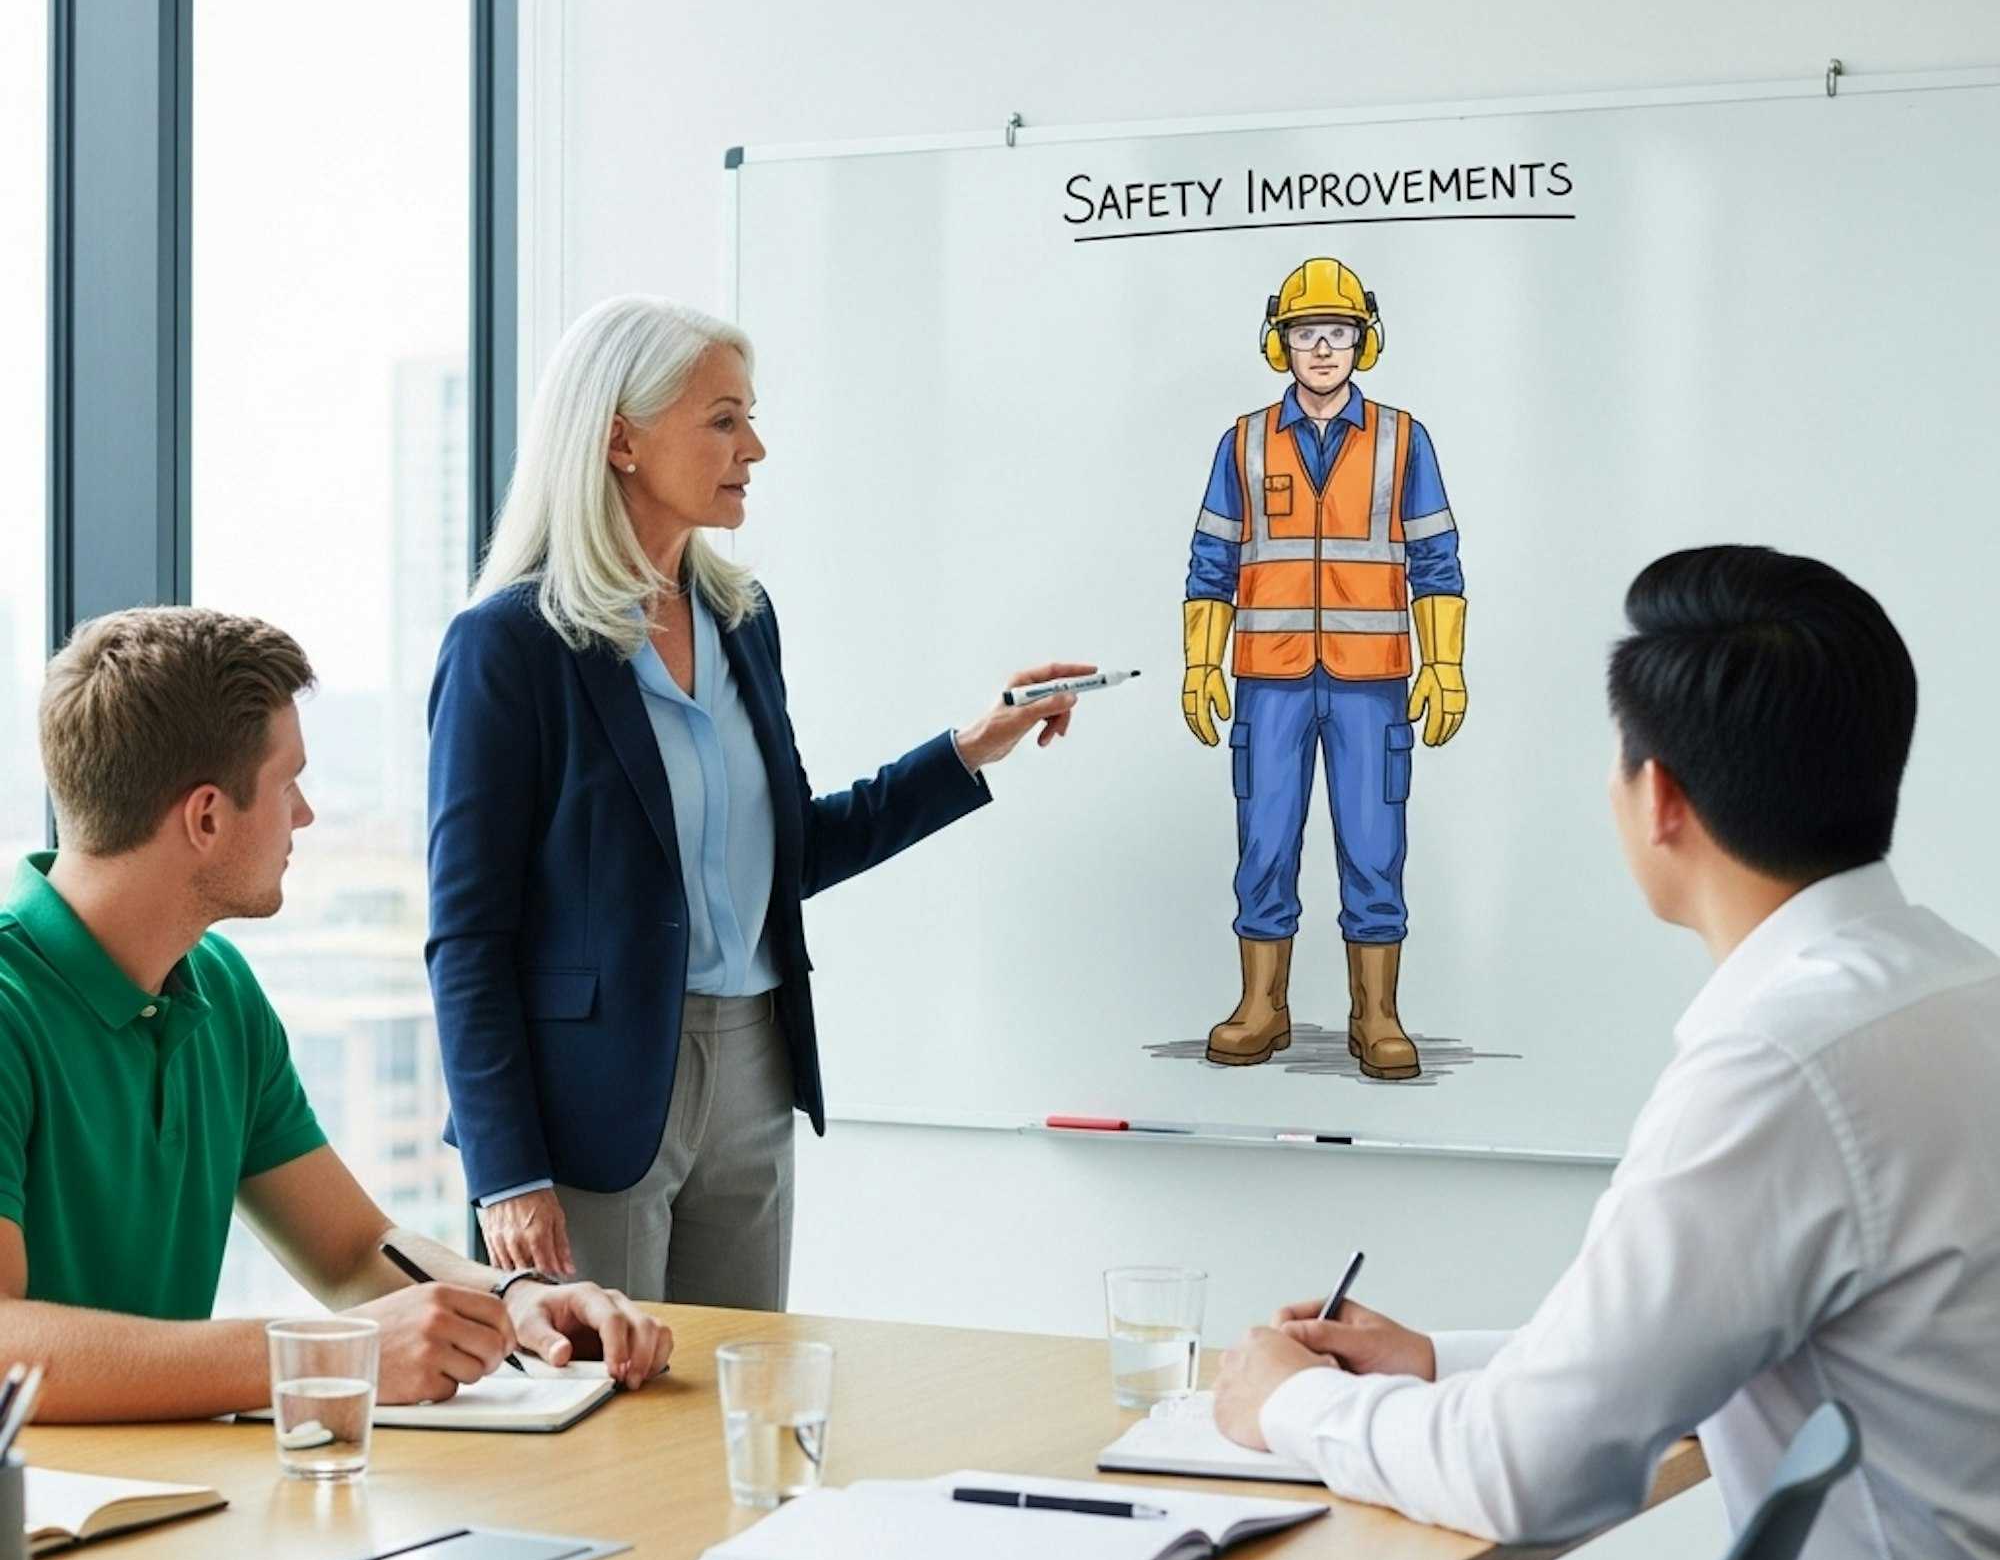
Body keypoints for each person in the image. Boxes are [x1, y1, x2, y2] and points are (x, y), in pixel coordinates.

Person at [1204, 547, 2000, 1560]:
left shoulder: (1777, 1066)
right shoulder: (1947, 987)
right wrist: (1439, 1362)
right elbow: (1730, 1328)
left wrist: (1282, 1407)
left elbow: (1535, 1475)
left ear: (1661, 799)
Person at [430, 295, 1089, 1306]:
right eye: (724, 418)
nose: (756, 447)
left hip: (754, 1066)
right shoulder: (508, 645)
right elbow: (468, 933)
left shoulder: (741, 618)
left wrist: (971, 745)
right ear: (619, 439)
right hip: (586, 1103)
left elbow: (793, 851)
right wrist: (505, 1168)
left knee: (736, 1394)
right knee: (602, 1415)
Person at [0, 607, 669, 1423]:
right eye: (288, 784)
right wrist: (324, 1355)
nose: (306, 815)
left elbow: (354, 1251)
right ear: (206, 817)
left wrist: (513, 1298)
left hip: (177, 1495)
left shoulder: (217, 988)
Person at [1182, 256, 1466, 1078]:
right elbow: (1211, 563)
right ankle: (1262, 1006)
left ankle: (1375, 1014)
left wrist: (1442, 664)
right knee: (1264, 840)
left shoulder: (1404, 440)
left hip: (1372, 682)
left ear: (1362, 342)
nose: (1323, 349)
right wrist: (1202, 666)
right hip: (1267, 680)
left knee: (1374, 845)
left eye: (1338, 333)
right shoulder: (1241, 443)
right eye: (1307, 334)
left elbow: (1436, 561)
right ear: (1282, 344)